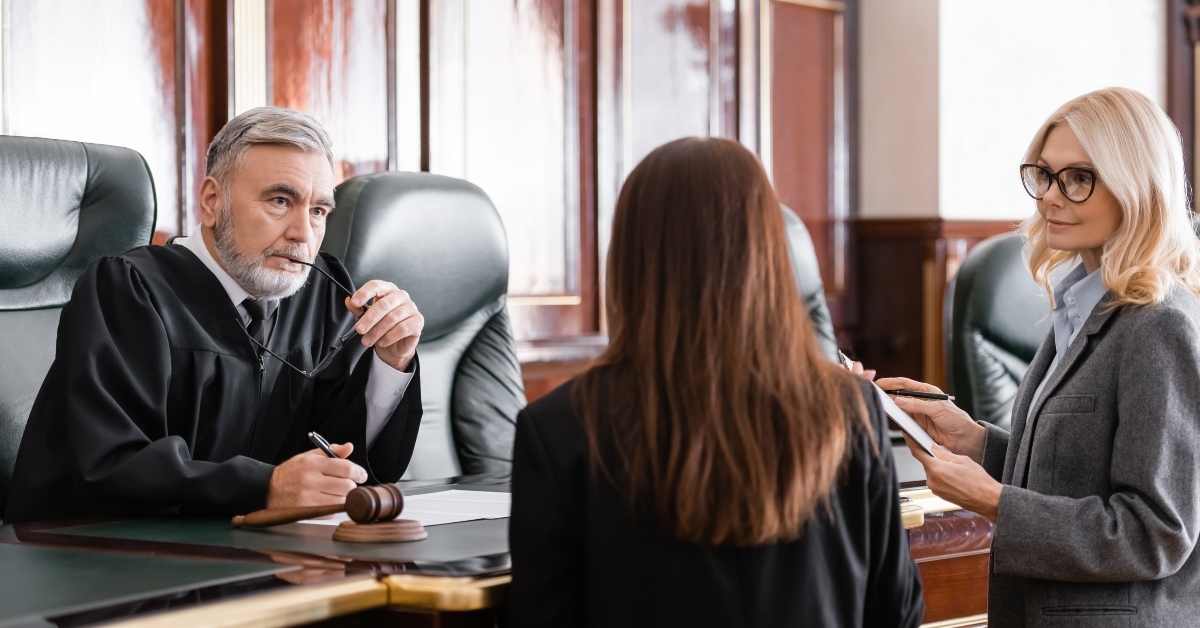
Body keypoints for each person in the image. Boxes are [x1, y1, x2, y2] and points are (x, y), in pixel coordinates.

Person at [509, 137, 924, 627]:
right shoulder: (852, 409)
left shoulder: (559, 429)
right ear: (768, 255)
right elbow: (896, 613)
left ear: (628, 258)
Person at [5, 107, 425, 523]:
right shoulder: (129, 291)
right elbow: (112, 465)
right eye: (280, 201)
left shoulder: (321, 295)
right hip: (96, 559)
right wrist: (264, 488)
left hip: (249, 556)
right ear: (212, 201)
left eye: (318, 211)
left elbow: (339, 455)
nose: (303, 234)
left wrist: (391, 360)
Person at [880, 87, 1200, 627]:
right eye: (1045, 175)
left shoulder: (1159, 325)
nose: (1051, 196)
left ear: (1137, 190)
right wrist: (977, 443)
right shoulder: (1081, 303)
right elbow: (1076, 476)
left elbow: (1155, 535)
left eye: (1078, 178)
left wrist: (995, 502)